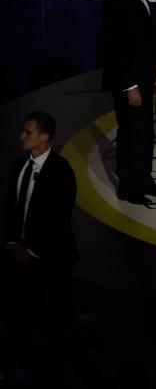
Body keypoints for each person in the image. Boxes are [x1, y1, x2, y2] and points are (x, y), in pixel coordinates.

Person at [1, 112, 76, 372]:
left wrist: (31, 252)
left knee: (44, 323)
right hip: (15, 257)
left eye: (28, 133)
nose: (21, 136)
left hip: (47, 263)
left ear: (44, 137)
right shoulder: (18, 165)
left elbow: (58, 221)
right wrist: (12, 244)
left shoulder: (61, 171)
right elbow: (9, 209)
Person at [101, 0, 156, 204]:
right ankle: (129, 187)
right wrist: (130, 86)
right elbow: (116, 46)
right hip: (128, 81)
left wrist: (155, 70)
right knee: (130, 133)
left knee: (143, 132)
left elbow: (144, 39)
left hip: (143, 75)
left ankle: (145, 180)